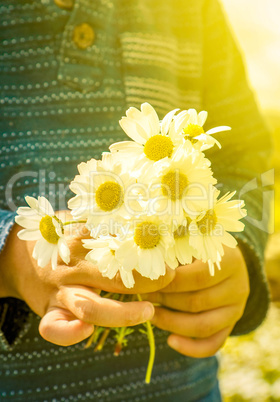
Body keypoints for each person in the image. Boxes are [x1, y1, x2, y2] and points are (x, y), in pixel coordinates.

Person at [0, 0, 271, 400]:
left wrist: (239, 248)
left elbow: (246, 156)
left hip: (186, 387)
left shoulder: (191, 10)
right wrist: (10, 259)